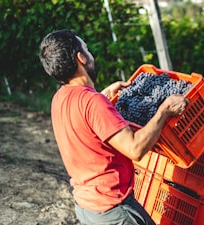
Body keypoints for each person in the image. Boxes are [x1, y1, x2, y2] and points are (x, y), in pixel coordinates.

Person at [39, 29, 189, 225]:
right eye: (86, 48)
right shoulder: (93, 103)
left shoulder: (59, 98)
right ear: (81, 58)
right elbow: (135, 149)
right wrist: (164, 111)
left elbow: (85, 119)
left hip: (87, 206)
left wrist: (104, 94)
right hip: (113, 211)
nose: (90, 53)